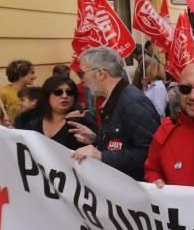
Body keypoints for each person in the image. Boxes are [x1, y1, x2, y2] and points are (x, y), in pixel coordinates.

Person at [69, 47, 161, 182]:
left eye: (82, 73)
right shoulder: (116, 98)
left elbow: (149, 154)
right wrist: (97, 139)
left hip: (133, 191)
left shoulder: (133, 103)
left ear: (101, 74)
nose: (82, 80)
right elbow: (122, 142)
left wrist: (102, 156)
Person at [14, 76, 95, 150]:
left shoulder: (83, 119)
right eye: (58, 92)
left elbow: (95, 148)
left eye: (69, 92)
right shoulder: (26, 118)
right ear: (47, 95)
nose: (65, 96)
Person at [0, 59, 36, 124]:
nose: (35, 76)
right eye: (32, 73)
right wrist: (5, 130)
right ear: (21, 74)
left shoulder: (31, 92)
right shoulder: (3, 92)